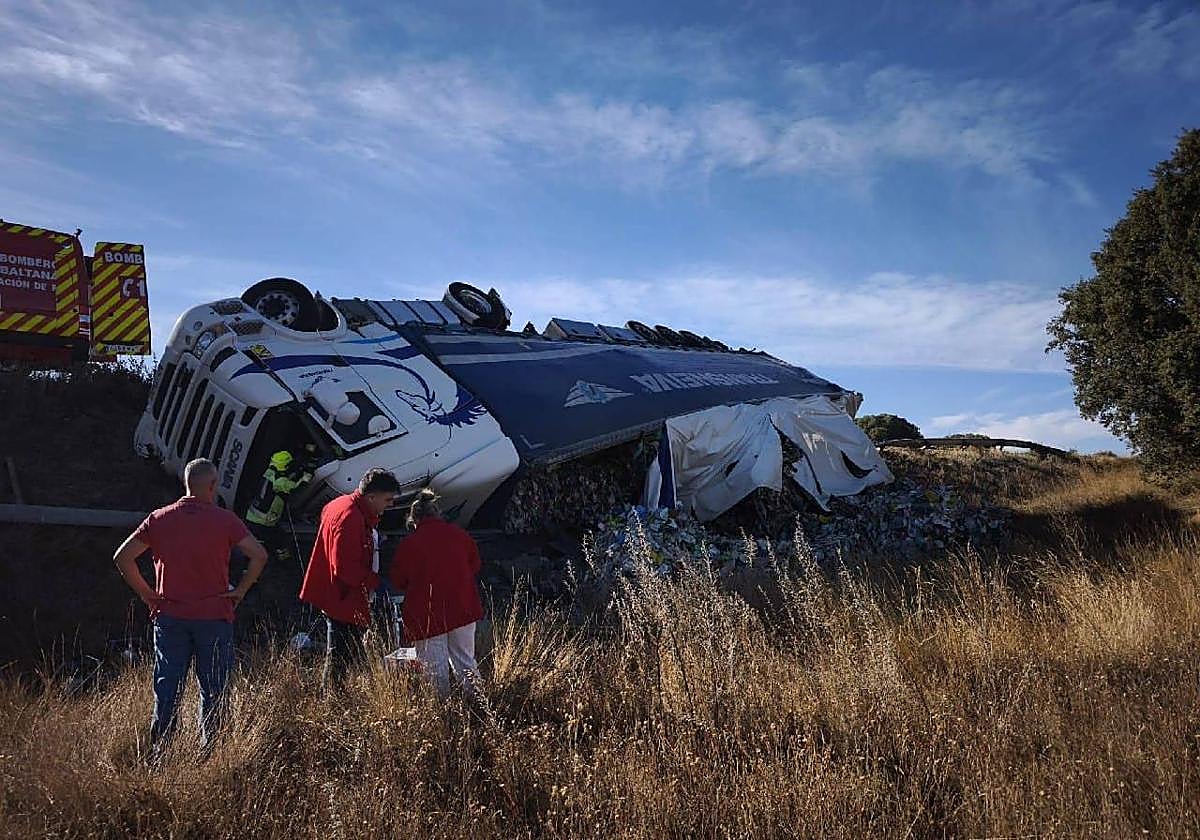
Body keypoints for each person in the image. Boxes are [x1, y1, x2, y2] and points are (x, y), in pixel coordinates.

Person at [113, 458, 268, 754]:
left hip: (170, 616)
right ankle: (210, 752)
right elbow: (259, 555)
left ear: (186, 483)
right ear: (213, 485)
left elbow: (122, 557)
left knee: (168, 686)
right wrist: (240, 590)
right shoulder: (225, 520)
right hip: (214, 616)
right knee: (213, 688)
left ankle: (162, 751)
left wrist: (147, 594)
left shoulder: (159, 518)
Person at [299, 468, 401, 688]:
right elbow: (344, 567)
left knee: (340, 654)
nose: (390, 504)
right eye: (387, 499)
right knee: (342, 656)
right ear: (371, 497)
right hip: (343, 597)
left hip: (334, 592)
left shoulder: (339, 505)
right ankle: (333, 697)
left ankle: (333, 694)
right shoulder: (350, 518)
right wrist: (376, 583)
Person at [389, 489, 484, 699]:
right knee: (466, 662)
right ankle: (479, 706)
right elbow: (475, 565)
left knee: (434, 670)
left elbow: (398, 581)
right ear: (438, 513)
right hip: (462, 607)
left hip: (426, 615)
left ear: (414, 520)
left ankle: (441, 712)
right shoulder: (460, 535)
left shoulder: (409, 544)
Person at [245, 445, 315, 562]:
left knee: (270, 538)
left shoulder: (269, 472)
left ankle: (269, 557)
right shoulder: (280, 482)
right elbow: (297, 486)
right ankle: (282, 560)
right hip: (265, 520)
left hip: (253, 515)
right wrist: (307, 474)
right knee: (276, 540)